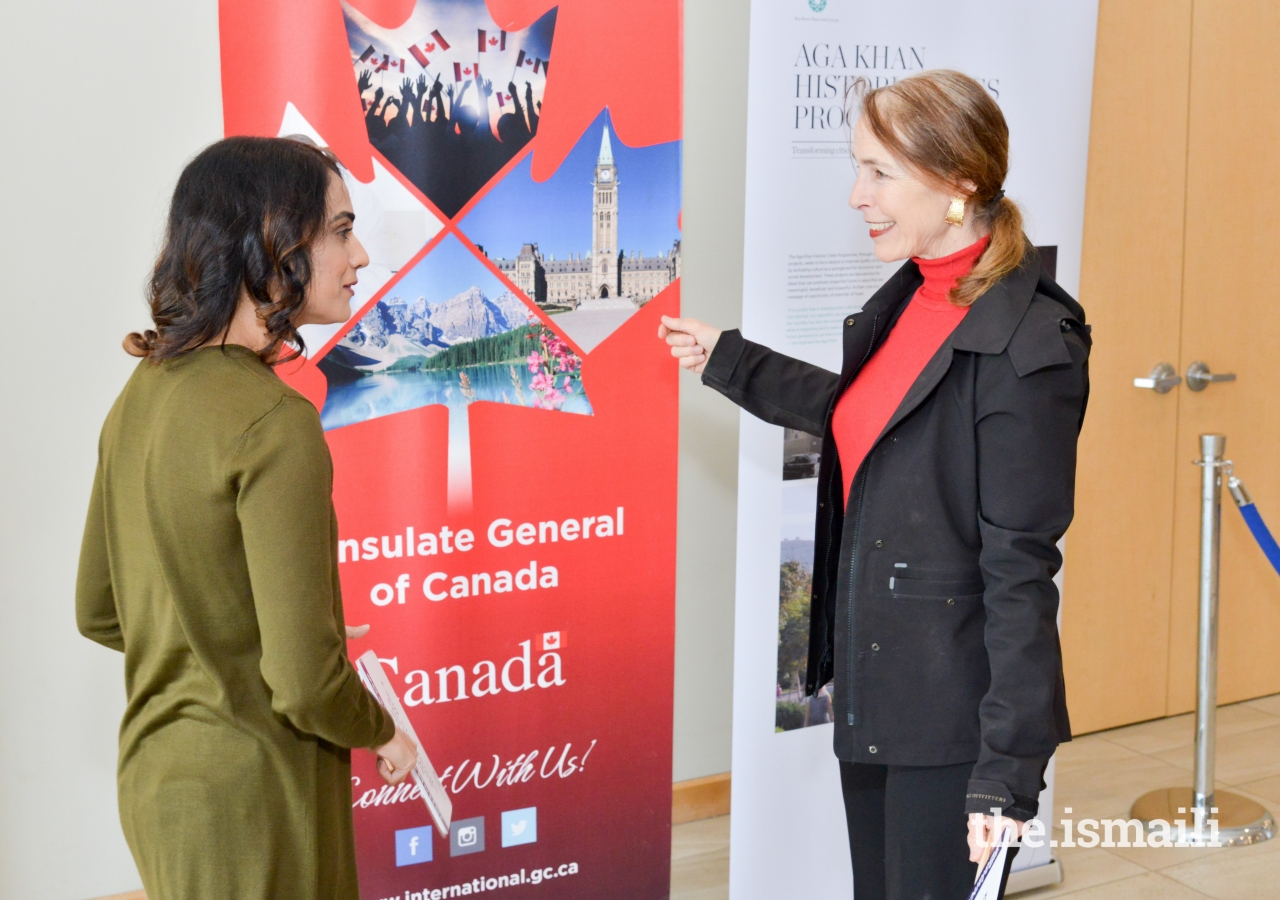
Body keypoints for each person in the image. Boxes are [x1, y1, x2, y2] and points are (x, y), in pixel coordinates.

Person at [660, 70, 1089, 899]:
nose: (858, 195)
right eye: (858, 168)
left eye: (879, 172)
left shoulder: (1029, 345)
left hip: (953, 727)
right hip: (877, 695)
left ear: (959, 182)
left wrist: (1006, 776)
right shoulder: (911, 295)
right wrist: (731, 359)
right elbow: (874, 422)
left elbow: (1022, 574)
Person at [76, 136, 419, 900]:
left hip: (161, 791)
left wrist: (264, 619)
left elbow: (101, 609)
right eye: (339, 230)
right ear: (272, 239)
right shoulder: (274, 423)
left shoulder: (141, 396)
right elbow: (302, 684)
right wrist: (381, 728)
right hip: (260, 805)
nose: (359, 255)